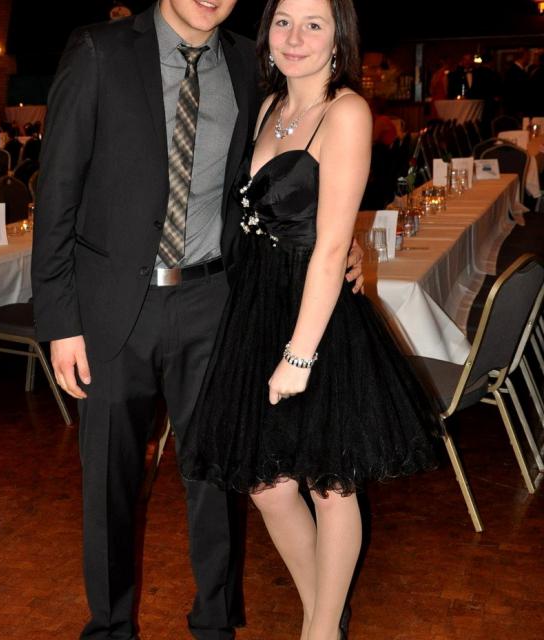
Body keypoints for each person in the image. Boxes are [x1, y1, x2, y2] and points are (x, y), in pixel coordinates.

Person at [31, 1, 363, 639]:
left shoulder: (248, 63)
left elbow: (290, 175)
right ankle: (111, 628)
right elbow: (57, 192)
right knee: (110, 482)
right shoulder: (98, 50)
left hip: (217, 302)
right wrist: (60, 321)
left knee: (218, 478)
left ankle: (215, 623)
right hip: (110, 312)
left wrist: (346, 241)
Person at [180, 1, 438, 639]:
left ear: (338, 38)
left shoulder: (345, 111)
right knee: (268, 486)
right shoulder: (268, 105)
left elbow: (330, 246)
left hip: (315, 313)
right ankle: (322, 611)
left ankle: (320, 631)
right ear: (266, 31)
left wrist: (299, 355)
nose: (295, 37)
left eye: (313, 24)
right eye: (283, 21)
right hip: (256, 305)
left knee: (330, 484)